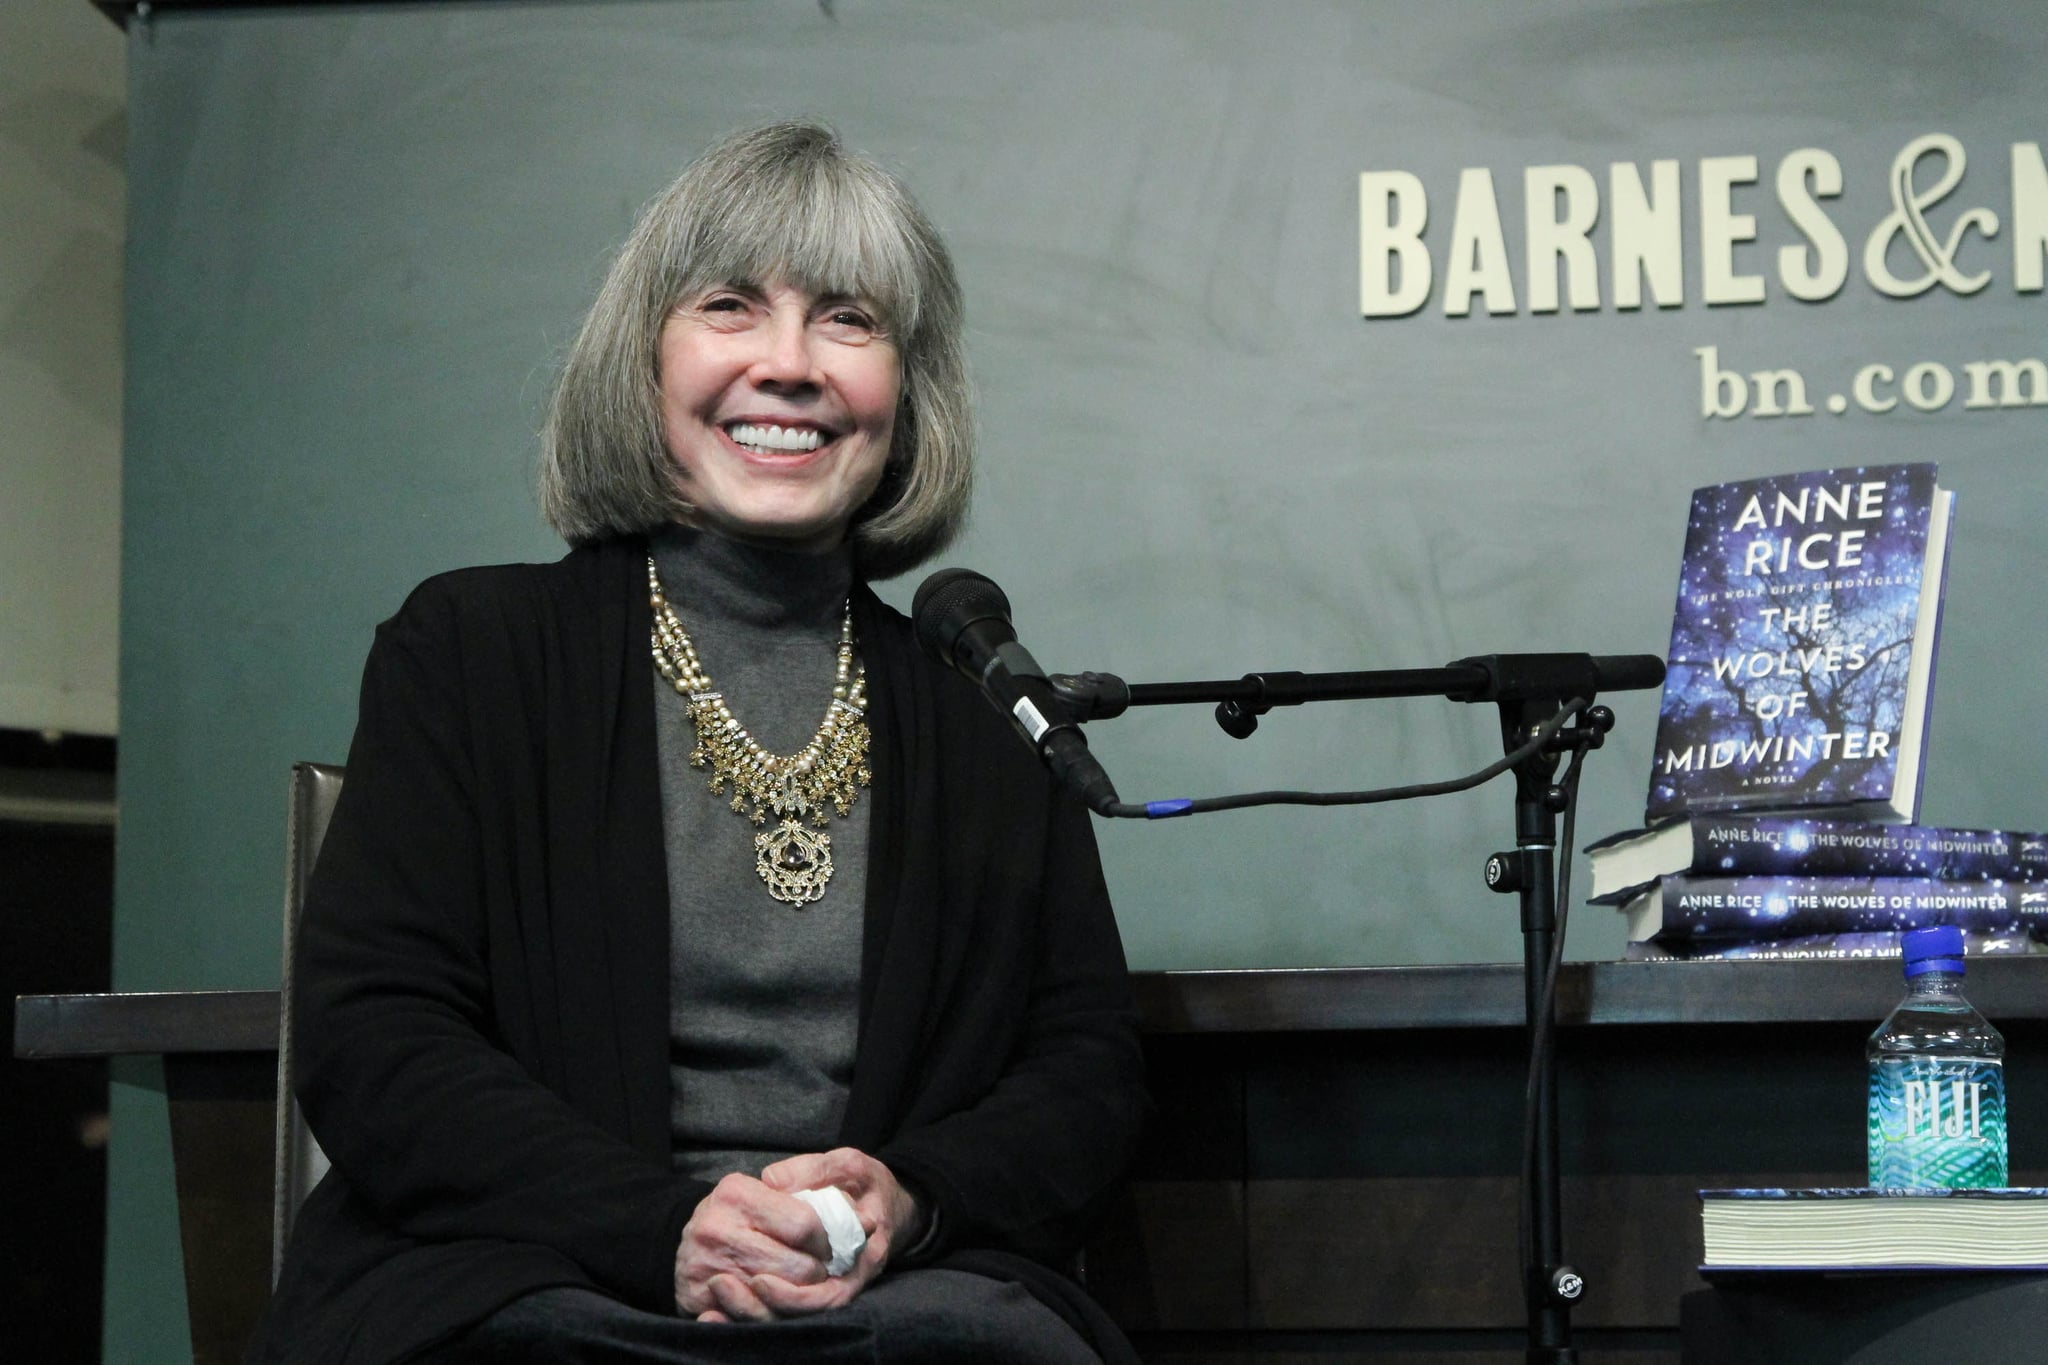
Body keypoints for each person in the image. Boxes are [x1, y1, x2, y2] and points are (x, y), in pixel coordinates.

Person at [250, 122, 1146, 1365]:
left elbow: (1084, 1073)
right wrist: (659, 1229)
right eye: (730, 308)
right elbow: (376, 1040)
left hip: (886, 1308)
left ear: (909, 386)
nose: (787, 367)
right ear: (645, 361)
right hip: (540, 1280)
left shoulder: (981, 709)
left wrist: (911, 1198)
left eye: (847, 320)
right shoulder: (470, 650)